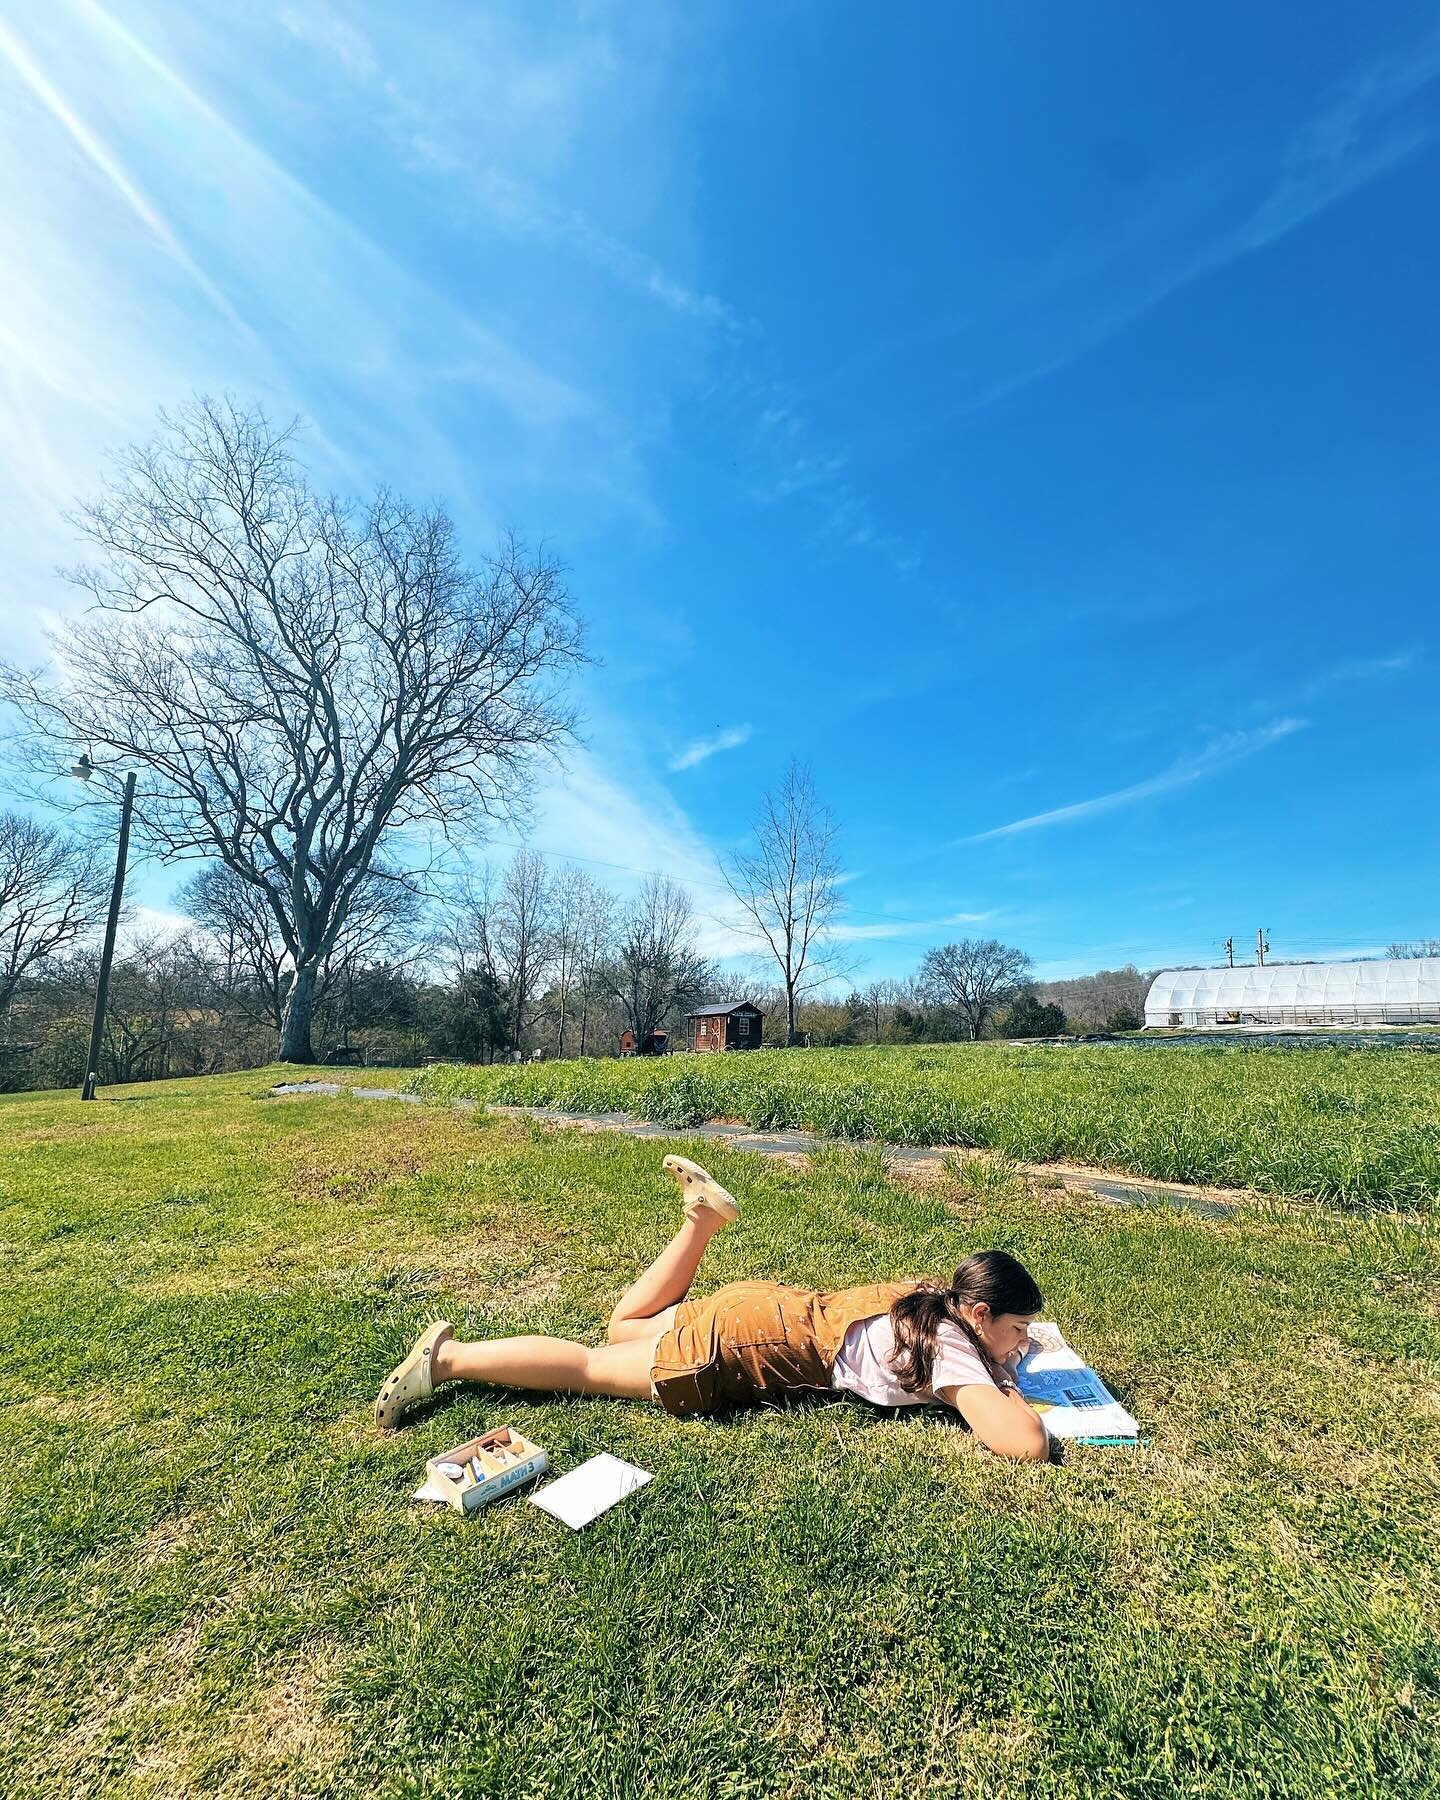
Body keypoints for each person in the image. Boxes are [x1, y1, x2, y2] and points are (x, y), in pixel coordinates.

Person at [374, 1154, 1050, 1461]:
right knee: (585, 1365)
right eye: (1017, 1330)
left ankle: (701, 1220)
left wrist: (1008, 1359)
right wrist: (1011, 1390)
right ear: (980, 1314)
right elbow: (1022, 1444)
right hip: (738, 1349)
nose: (1021, 1344)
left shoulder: (934, 1301)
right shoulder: (958, 1349)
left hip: (763, 1307)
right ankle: (448, 1359)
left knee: (622, 1329)